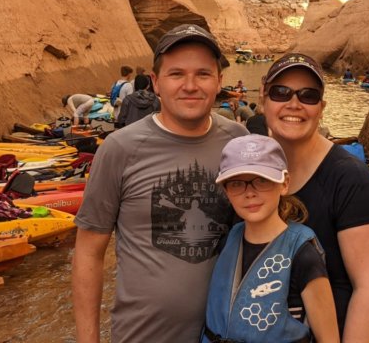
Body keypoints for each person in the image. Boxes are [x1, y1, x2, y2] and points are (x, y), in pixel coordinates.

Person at [73, 24, 249, 343]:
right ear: (156, 82)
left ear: (219, 81)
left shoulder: (238, 142)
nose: (190, 85)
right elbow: (88, 251)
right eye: (176, 74)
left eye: (203, 74)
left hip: (227, 334)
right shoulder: (119, 149)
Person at [262, 53, 369, 342]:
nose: (294, 103)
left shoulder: (351, 180)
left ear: (321, 108)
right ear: (264, 99)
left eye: (308, 96)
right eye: (281, 92)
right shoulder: (257, 174)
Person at [203, 134, 339, 343]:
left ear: (284, 183)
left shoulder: (303, 256)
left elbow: (329, 338)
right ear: (226, 191)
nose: (250, 193)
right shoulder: (228, 240)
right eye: (237, 184)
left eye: (262, 181)